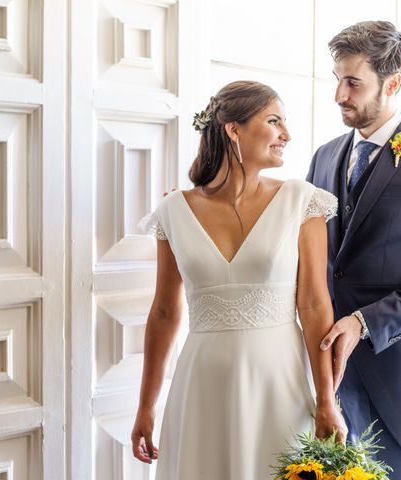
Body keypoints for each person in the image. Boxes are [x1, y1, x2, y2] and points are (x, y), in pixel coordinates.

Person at [131, 80, 346, 479]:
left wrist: (326, 399)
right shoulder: (174, 210)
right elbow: (163, 312)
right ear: (234, 129)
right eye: (273, 121)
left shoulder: (303, 201)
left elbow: (315, 306)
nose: (286, 135)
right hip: (202, 383)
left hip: (279, 383)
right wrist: (146, 406)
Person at [306, 21, 401, 480]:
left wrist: (365, 322)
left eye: (353, 83)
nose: (339, 95)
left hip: (396, 385)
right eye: (336, 80)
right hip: (326, 381)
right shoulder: (324, 157)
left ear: (393, 83)